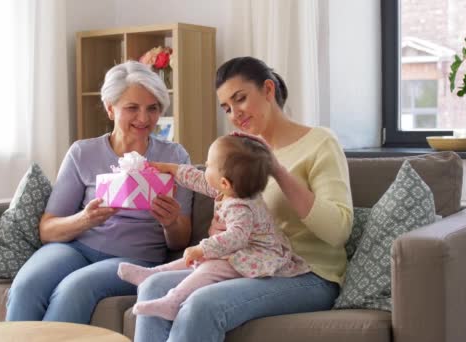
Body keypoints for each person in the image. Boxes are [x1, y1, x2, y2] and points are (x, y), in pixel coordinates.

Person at [134, 56, 353, 342]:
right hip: (249, 264)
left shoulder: (321, 143)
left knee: (203, 305)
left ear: (268, 90)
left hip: (309, 274)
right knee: (153, 286)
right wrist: (218, 229)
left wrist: (276, 169)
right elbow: (230, 211)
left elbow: (338, 232)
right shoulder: (238, 154)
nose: (234, 113)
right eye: (226, 107)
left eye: (240, 99)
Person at [5, 61, 193, 324]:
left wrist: (170, 221)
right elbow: (48, 229)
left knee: (74, 289)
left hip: (136, 256)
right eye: (132, 108)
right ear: (110, 108)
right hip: (76, 248)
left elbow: (180, 241)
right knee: (27, 286)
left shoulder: (174, 156)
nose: (144, 118)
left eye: (153, 108)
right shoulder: (83, 152)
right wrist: (86, 219)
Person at [117, 135, 310, 321]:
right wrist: (170, 169)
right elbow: (198, 179)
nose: (205, 167)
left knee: (209, 266)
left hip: (258, 255)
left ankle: (173, 302)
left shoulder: (239, 206)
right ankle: (153, 273)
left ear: (224, 182)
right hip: (241, 250)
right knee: (195, 258)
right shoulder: (229, 189)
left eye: (208, 165)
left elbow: (236, 237)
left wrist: (203, 248)